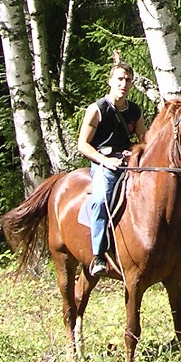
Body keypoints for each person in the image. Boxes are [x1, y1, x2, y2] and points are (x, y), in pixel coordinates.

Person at [77, 62, 147, 276]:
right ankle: (98, 255)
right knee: (100, 200)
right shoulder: (97, 109)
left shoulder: (135, 111)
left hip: (128, 163)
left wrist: (133, 152)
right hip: (103, 164)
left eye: (127, 80)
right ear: (110, 81)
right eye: (119, 79)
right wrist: (105, 160)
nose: (123, 84)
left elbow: (144, 140)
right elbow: (82, 145)